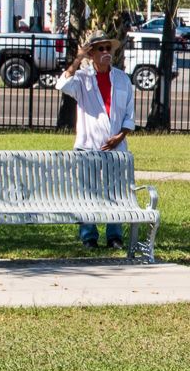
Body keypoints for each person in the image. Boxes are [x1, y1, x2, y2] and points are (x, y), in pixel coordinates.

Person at [54, 33, 134, 249]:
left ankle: (114, 236)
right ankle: (89, 236)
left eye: (109, 48)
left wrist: (121, 135)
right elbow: (61, 84)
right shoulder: (82, 78)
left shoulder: (122, 79)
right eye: (101, 49)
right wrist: (78, 58)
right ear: (92, 53)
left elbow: (129, 113)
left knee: (115, 192)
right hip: (87, 146)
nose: (106, 52)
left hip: (116, 147)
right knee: (87, 192)